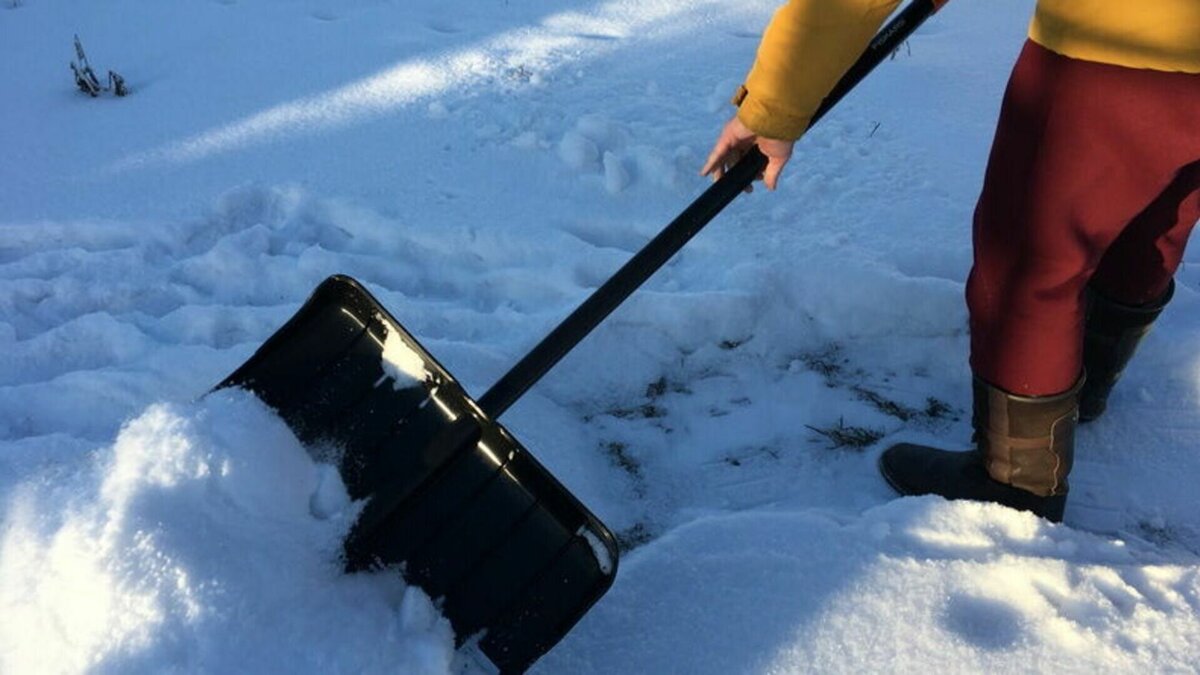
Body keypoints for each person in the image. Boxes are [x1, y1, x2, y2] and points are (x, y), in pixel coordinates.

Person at [702, 0, 1200, 522]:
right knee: (1154, 219)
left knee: (1030, 267)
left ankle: (1018, 487)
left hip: (1117, 55)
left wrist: (773, 107)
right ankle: (1083, 386)